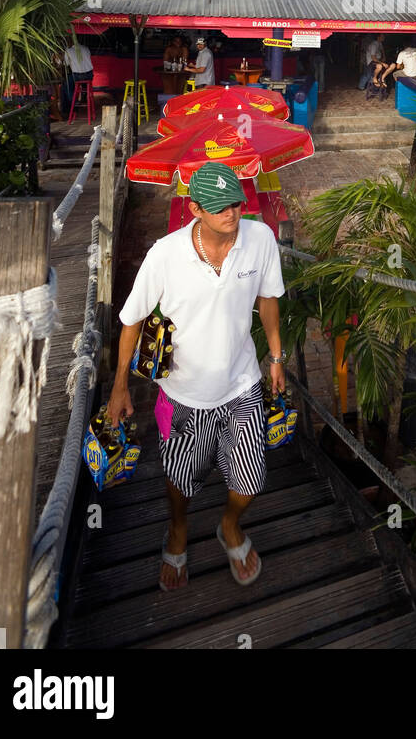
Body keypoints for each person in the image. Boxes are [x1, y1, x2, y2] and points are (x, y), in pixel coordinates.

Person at [106, 162, 286, 591]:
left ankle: (229, 526)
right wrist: (119, 387)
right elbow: (131, 320)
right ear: (195, 209)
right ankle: (178, 530)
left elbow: (268, 299)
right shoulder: (165, 256)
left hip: (242, 383)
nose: (232, 213)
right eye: (220, 207)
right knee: (181, 481)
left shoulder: (260, 240)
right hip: (184, 395)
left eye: (237, 203)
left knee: (251, 480)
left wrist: (276, 356)